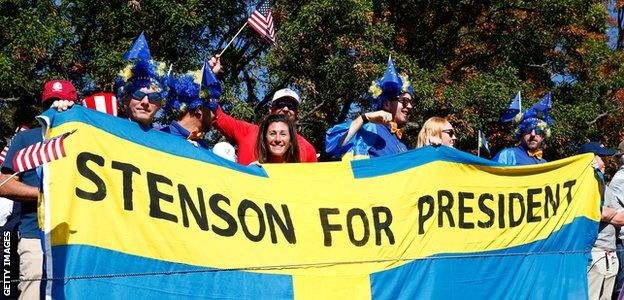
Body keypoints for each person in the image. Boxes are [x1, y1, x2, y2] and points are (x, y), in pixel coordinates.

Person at [0, 80, 78, 299]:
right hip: (34, 234)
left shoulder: (84, 139)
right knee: (32, 293)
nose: (56, 106)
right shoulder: (25, 138)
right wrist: (46, 194)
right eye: (50, 101)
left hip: (77, 238)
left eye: (64, 101)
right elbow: (3, 184)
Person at [209, 54, 317, 165]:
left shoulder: (308, 150)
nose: (285, 109)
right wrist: (209, 77)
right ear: (271, 109)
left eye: (291, 106)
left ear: (296, 113)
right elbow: (217, 116)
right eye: (281, 104)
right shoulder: (248, 132)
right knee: (221, 148)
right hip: (245, 181)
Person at [325, 57, 413, 159]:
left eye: (410, 102)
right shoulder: (371, 128)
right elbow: (333, 146)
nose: (410, 106)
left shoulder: (403, 146)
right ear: (386, 104)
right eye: (404, 101)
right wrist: (364, 118)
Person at [577, 142, 624, 300]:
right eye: (601, 157)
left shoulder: (606, 188)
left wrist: (605, 213)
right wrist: (607, 213)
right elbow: (596, 212)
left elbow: (621, 218)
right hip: (594, 254)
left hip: (611, 255)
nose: (605, 162)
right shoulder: (581, 186)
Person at [493, 95, 552, 166]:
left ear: (543, 137)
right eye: (528, 130)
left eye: (538, 131)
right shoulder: (507, 155)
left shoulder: (545, 164)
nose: (533, 134)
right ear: (520, 133)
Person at [160, 73, 215, 148]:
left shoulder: (203, 147)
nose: (216, 116)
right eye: (212, 109)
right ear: (199, 110)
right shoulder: (161, 136)